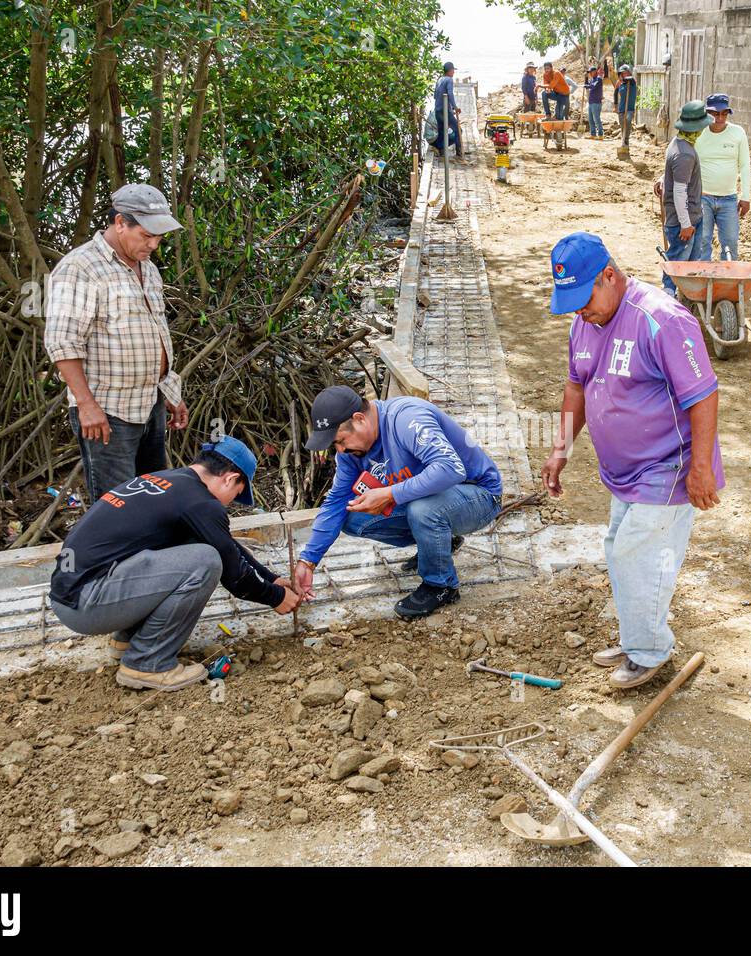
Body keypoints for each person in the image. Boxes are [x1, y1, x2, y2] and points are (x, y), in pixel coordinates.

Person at [541, 233, 723, 690]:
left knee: (637, 554)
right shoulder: (583, 323)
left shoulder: (661, 319)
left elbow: (702, 395)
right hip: (624, 470)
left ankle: (649, 652)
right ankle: (637, 638)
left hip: (668, 465)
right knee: (621, 551)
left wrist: (700, 468)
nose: (579, 310)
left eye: (584, 298)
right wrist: (561, 447)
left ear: (610, 276)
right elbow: (577, 386)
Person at [49, 437, 300, 692]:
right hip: (87, 605)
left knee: (190, 552)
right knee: (205, 561)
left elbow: (227, 545)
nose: (230, 503)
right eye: (236, 494)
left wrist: (270, 578)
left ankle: (129, 640)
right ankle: (147, 662)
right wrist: (276, 597)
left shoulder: (172, 483)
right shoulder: (201, 504)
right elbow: (235, 576)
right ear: (229, 478)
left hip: (73, 594)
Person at [295, 386, 504, 619]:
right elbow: (335, 502)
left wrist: (389, 494)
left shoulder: (405, 418)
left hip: (479, 494)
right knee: (350, 515)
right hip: (435, 500)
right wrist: (308, 560)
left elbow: (451, 468)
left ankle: (440, 585)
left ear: (359, 419)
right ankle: (439, 542)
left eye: (341, 440)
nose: (341, 450)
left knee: (422, 510)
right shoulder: (349, 454)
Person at [44, 184, 190, 506]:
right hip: (108, 412)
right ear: (121, 222)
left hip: (150, 402)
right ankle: (116, 558)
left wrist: (170, 392)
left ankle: (151, 557)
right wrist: (86, 405)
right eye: (146, 235)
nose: (153, 244)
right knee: (118, 507)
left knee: (153, 497)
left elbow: (156, 331)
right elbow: (62, 341)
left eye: (159, 237)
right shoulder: (80, 268)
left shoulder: (148, 269)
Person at [658, 100, 711, 296]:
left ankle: (683, 300)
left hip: (691, 217)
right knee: (678, 264)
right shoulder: (685, 155)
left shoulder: (677, 143)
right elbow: (680, 192)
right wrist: (686, 224)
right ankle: (668, 297)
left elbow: (672, 177)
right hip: (684, 221)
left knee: (689, 264)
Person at [693, 93, 751, 261]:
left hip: (728, 199)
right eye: (715, 113)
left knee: (730, 243)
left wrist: (746, 197)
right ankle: (703, 282)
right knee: (703, 241)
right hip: (703, 197)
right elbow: (684, 158)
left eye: (724, 113)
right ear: (707, 113)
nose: (720, 118)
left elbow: (745, 166)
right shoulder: (698, 133)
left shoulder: (738, 133)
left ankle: (728, 283)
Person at [433, 61, 462, 158]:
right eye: (453, 70)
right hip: (444, 111)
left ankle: (441, 150)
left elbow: (435, 96)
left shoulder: (439, 79)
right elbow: (450, 94)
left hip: (437, 110)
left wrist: (451, 108)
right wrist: (455, 107)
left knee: (441, 131)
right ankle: (459, 153)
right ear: (449, 71)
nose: (454, 72)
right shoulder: (449, 80)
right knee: (458, 130)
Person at [613, 64, 637, 149]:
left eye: (626, 73)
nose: (624, 74)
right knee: (623, 126)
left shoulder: (632, 82)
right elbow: (615, 93)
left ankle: (626, 141)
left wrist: (627, 79)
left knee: (628, 122)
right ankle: (624, 142)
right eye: (623, 73)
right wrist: (615, 105)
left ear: (629, 73)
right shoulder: (620, 83)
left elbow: (631, 79)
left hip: (630, 109)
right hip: (622, 108)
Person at [584, 65, 604, 139]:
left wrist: (587, 85)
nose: (590, 74)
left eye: (590, 72)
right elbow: (587, 85)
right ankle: (593, 134)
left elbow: (593, 86)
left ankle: (601, 134)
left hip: (596, 102)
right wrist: (586, 78)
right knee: (590, 119)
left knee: (596, 119)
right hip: (591, 102)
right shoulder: (592, 79)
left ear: (595, 72)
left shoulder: (599, 79)